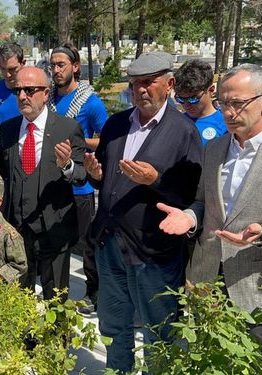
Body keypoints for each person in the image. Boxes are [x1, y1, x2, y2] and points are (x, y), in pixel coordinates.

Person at [158, 63, 262, 359]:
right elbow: (202, 202)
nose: (229, 112)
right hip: (206, 281)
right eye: (224, 104)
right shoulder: (214, 149)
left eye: (238, 103)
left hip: (257, 290)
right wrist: (190, 217)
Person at [83, 51, 202, 372]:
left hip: (154, 254)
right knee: (114, 327)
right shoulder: (116, 124)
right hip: (110, 248)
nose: (141, 90)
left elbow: (192, 196)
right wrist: (96, 176)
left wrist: (156, 180)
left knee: (158, 333)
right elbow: (108, 184)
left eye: (149, 83)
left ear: (170, 84)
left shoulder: (184, 132)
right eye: (135, 84)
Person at [0, 66, 87, 300]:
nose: (22, 96)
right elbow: (0, 170)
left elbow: (82, 175)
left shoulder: (67, 128)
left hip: (54, 230)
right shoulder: (9, 130)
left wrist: (67, 165)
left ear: (45, 93)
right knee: (19, 297)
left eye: (29, 90)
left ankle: (55, 337)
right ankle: (26, 338)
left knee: (56, 300)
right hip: (18, 232)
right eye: (18, 90)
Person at [47, 43, 108, 314]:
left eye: (61, 65)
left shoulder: (90, 102)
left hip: (80, 185)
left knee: (87, 243)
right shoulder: (48, 99)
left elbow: (108, 139)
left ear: (75, 67)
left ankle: (94, 293)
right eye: (52, 65)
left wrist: (79, 143)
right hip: (51, 180)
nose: (56, 70)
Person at [174, 59, 227, 145]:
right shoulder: (175, 123)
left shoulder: (225, 126)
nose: (186, 105)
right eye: (180, 99)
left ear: (211, 90)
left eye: (193, 99)